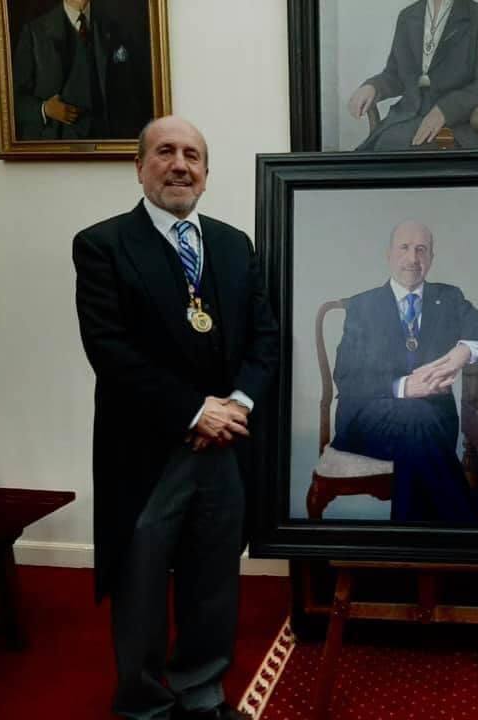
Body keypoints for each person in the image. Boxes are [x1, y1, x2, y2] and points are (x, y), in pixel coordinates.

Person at [73, 115, 278, 720]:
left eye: (192, 155)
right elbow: (109, 350)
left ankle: (201, 695)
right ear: (139, 167)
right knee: (139, 585)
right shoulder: (103, 245)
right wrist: (194, 410)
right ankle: (143, 706)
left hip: (224, 446)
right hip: (147, 449)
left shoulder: (236, 245)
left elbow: (264, 339)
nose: (180, 164)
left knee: (212, 578)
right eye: (164, 152)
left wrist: (236, 405)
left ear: (208, 175)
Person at [330, 220, 478, 522]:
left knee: (415, 442)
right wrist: (404, 387)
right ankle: (475, 537)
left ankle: (404, 555)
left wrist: (464, 351)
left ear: (431, 258)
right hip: (366, 420)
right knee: (416, 416)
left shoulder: (449, 299)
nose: (413, 258)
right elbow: (347, 376)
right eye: (404, 248)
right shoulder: (363, 306)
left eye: (421, 249)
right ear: (388, 254)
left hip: (432, 425)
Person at [347, 0, 478, 150]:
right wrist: (373, 87)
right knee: (379, 153)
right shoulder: (407, 16)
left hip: (455, 126)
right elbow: (396, 75)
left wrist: (445, 110)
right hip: (406, 117)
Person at [12, 0, 148, 140]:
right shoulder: (34, 32)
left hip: (104, 144)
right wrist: (45, 109)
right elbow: (13, 101)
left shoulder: (113, 28)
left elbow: (129, 96)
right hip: (54, 144)